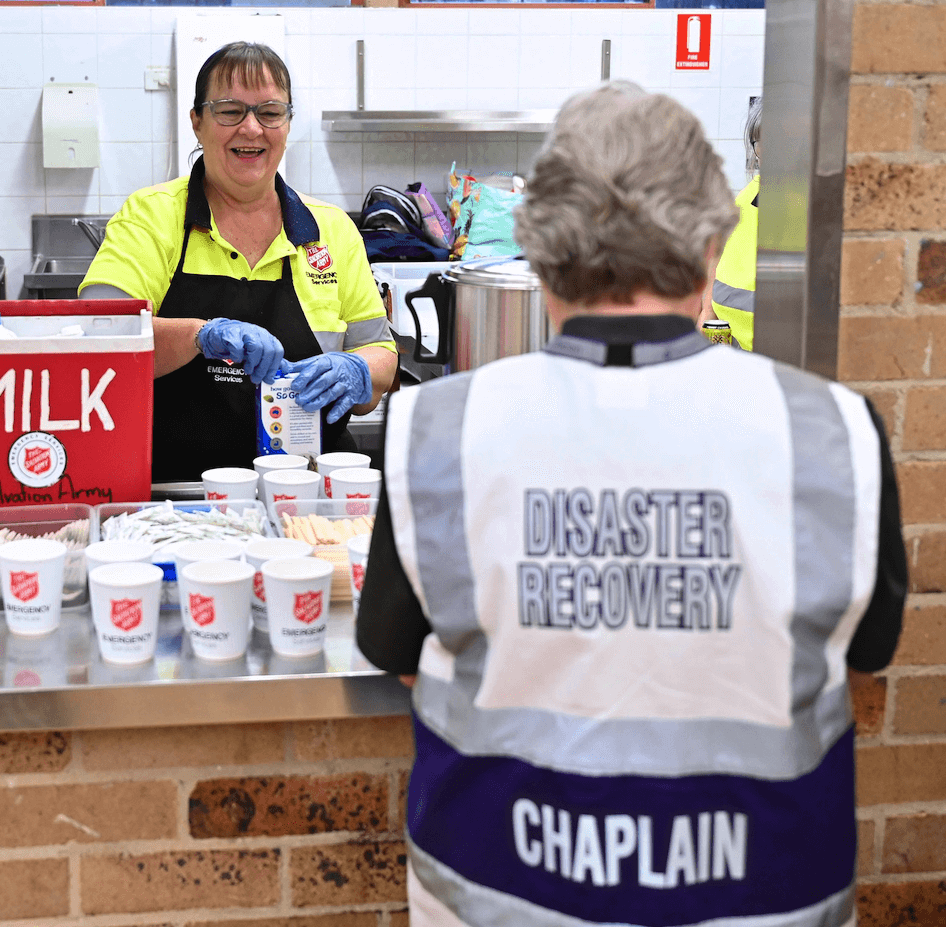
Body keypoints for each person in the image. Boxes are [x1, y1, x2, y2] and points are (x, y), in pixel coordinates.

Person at [356, 84, 906, 927]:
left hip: (502, 890)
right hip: (762, 894)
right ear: (712, 248)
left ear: (538, 255)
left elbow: (396, 652)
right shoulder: (834, 429)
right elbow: (862, 656)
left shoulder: (438, 427)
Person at [79, 42, 397, 482]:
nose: (252, 129)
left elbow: (380, 351)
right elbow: (97, 342)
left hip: (307, 488)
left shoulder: (332, 229)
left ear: (287, 123)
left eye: (270, 112)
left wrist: (358, 370)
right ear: (197, 122)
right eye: (230, 111)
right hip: (175, 492)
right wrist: (199, 336)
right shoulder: (151, 216)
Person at [702, 97, 761, 350]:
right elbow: (720, 256)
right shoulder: (748, 195)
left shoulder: (813, 204)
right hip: (732, 344)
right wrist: (706, 312)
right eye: (760, 142)